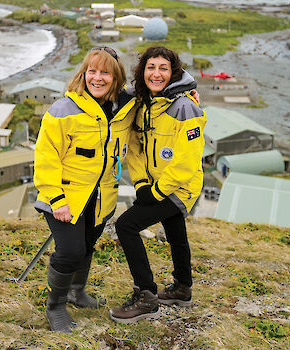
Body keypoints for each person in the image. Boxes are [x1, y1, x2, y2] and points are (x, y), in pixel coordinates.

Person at [34, 47, 136, 333]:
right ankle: (55, 307)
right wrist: (56, 199)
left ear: (116, 79)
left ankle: (76, 293)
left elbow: (156, 90)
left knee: (87, 246)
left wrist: (187, 95)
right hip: (64, 198)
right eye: (92, 71)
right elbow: (45, 158)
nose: (98, 78)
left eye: (105, 72)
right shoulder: (62, 110)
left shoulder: (124, 109)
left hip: (102, 197)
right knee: (70, 250)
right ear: (83, 73)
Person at [109, 46, 207, 324]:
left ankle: (147, 297)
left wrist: (156, 191)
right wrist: (141, 183)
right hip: (155, 184)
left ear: (173, 72)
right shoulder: (142, 103)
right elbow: (136, 146)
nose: (156, 73)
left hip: (180, 186)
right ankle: (182, 288)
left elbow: (187, 162)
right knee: (174, 229)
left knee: (126, 225)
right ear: (143, 71)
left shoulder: (185, 106)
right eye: (151, 67)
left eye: (163, 68)